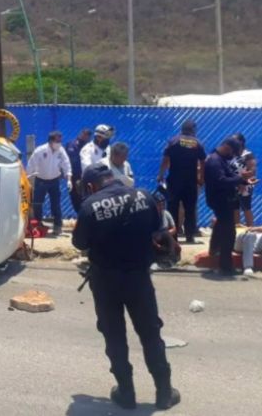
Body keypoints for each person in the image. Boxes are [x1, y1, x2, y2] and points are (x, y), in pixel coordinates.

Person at [72, 163, 180, 410]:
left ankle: (126, 392)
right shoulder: (145, 197)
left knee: (114, 336)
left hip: (105, 281)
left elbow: (79, 243)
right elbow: (159, 233)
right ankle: (164, 393)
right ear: (114, 178)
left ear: (90, 186)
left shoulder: (90, 207)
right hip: (139, 278)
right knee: (151, 334)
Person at [204, 137, 255, 275]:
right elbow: (222, 180)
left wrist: (244, 180)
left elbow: (229, 174)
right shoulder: (215, 161)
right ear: (227, 148)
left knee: (221, 225)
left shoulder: (220, 159)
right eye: (232, 153)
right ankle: (225, 266)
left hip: (223, 199)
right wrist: (240, 179)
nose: (232, 157)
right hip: (220, 200)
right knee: (229, 233)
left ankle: (213, 249)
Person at [157, 120, 206, 243]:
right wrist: (201, 178)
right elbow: (202, 162)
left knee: (173, 207)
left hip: (174, 181)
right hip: (190, 182)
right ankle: (190, 236)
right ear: (193, 130)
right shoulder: (197, 143)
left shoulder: (173, 141)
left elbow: (166, 159)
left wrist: (161, 174)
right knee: (190, 208)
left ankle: (173, 237)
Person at [26, 131, 71, 235]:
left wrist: (69, 178)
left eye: (60, 141)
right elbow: (31, 164)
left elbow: (66, 164)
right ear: (51, 141)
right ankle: (38, 225)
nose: (59, 143)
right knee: (37, 204)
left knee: (56, 204)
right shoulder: (40, 150)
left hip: (54, 181)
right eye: (57, 141)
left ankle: (57, 226)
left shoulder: (61, 150)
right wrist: (27, 179)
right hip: (41, 180)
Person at [230, 133, 256, 227]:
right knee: (234, 207)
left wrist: (242, 181)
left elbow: (252, 171)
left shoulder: (248, 155)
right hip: (234, 184)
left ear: (241, 142)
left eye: (235, 140)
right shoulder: (233, 154)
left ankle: (251, 230)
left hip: (245, 185)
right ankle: (236, 230)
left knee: (246, 207)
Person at [152, 192, 181, 269]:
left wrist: (165, 235)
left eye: (163, 204)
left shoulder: (166, 213)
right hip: (153, 238)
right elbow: (146, 233)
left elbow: (174, 229)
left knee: (176, 246)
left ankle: (171, 259)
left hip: (165, 237)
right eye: (159, 204)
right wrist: (155, 243)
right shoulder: (149, 215)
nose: (161, 206)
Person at [66, 128, 92, 212]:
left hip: (86, 176)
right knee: (74, 196)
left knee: (86, 197)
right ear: (81, 133)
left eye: (87, 135)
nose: (84, 136)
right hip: (73, 175)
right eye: (84, 134)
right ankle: (79, 215)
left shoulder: (90, 147)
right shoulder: (71, 144)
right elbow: (65, 159)